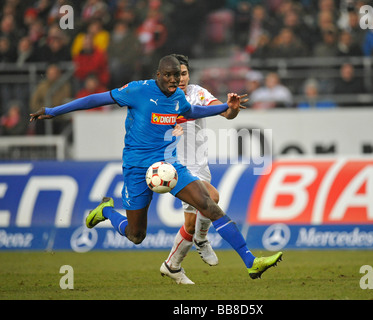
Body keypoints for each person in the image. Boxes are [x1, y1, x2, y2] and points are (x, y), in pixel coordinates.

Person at [30, 55, 283, 281]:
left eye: (178, 75)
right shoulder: (137, 90)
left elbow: (193, 111)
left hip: (169, 165)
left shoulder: (178, 97)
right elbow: (97, 99)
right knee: (136, 235)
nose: (174, 80)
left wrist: (225, 107)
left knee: (209, 205)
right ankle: (107, 211)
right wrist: (54, 110)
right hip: (137, 167)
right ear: (159, 75)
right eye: (170, 75)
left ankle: (251, 262)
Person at [160, 54, 246, 284]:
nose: (181, 78)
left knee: (189, 224)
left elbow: (227, 113)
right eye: (176, 74)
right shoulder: (159, 97)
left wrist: (233, 108)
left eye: (184, 73)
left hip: (201, 166)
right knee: (212, 197)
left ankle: (172, 265)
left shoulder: (198, 93)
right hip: (178, 166)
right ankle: (201, 239)